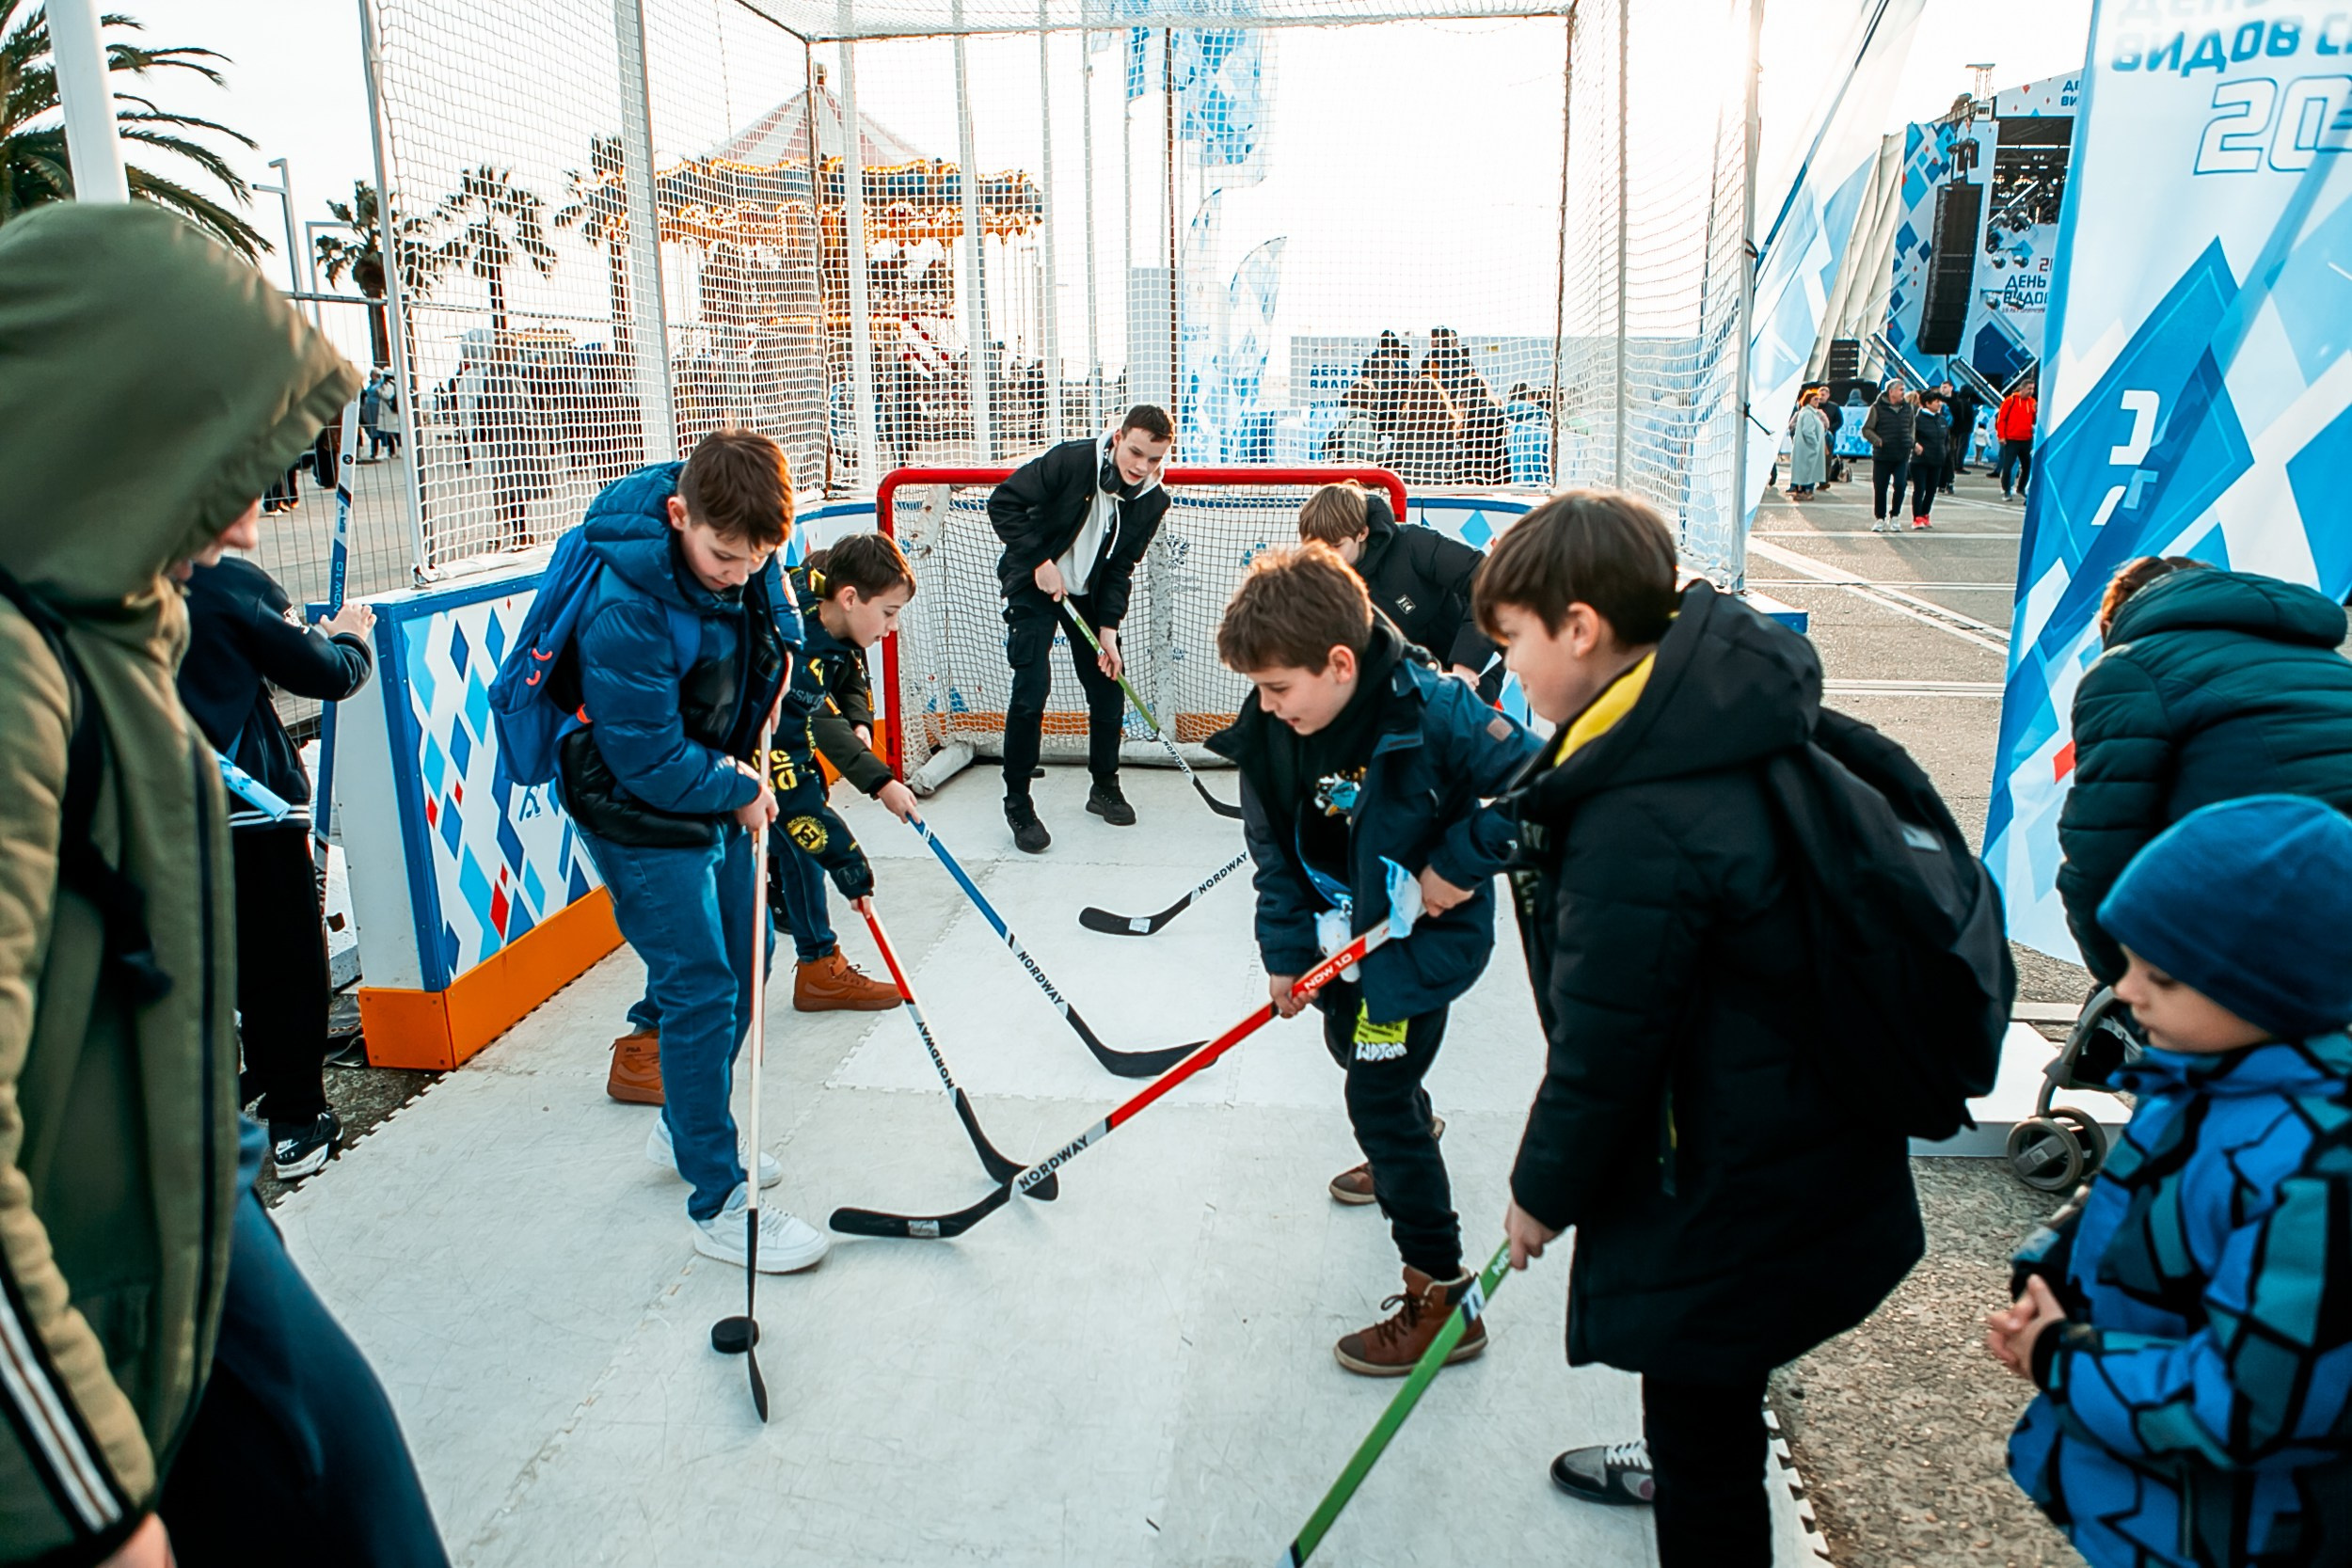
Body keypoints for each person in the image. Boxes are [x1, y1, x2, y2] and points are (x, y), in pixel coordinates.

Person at [2, 200, 447, 1568]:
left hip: (193, 1206)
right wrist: (81, 1502)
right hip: (85, 1304)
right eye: (234, 465)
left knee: (358, 1499)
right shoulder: (16, 671)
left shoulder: (108, 621)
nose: (256, 509)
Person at [1477, 491, 1923, 1565]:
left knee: (1703, 1440)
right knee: (1712, 1398)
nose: (1509, 670)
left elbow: (1607, 1046)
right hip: (1797, 1131)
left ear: (1580, 627)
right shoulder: (1718, 715)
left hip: (1727, 1171)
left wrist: (1540, 1192)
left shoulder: (1640, 808)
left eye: (1514, 641)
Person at [1993, 796, 2352, 1568]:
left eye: (2159, 974)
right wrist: (2047, 1271)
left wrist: (2061, 1355)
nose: (2124, 990)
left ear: (2266, 989)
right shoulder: (2200, 1079)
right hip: (2156, 1498)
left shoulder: (2321, 1173)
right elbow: (2128, 1200)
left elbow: (2256, 1405)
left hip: (2243, 1531)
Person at [1205, 545, 1538, 1377]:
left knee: (1375, 1094)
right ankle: (1406, 1131)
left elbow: (1548, 783)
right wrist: (1286, 951)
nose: (1267, 704)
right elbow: (1272, 857)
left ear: (1340, 663)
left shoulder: (1437, 709)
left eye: (1279, 687)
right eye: (1258, 689)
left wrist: (1459, 862)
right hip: (1335, 948)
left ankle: (1444, 1298)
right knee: (1350, 1053)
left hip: (1409, 955)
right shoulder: (1271, 732)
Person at [557, 428, 863, 1274]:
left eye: (756, 556)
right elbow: (646, 756)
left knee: (748, 956)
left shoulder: (753, 557)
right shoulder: (626, 607)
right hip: (634, 806)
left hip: (715, 780)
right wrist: (738, 785)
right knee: (698, 986)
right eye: (723, 555)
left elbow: (778, 629)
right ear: (677, 514)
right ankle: (719, 1202)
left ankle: (685, 1124)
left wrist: (768, 704)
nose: (738, 571)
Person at [2056, 557, 2352, 987]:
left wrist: (2123, 978)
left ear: (2112, 621)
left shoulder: (2131, 667)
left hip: (2287, 888)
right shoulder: (2325, 661)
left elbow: (2102, 845)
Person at [177, 543, 377, 1179]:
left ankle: (212, 1120)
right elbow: (327, 673)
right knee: (283, 965)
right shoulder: (224, 581)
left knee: (197, 972)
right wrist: (348, 637)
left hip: (152, 817)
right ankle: (297, 1122)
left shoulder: (87, 583)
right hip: (250, 812)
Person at [983, 404, 1174, 854]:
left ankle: (1104, 787)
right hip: (1036, 582)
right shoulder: (1070, 461)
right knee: (1032, 687)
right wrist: (1040, 561)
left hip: (1089, 594)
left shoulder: (1152, 500)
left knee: (1108, 686)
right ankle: (1018, 802)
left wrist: (1108, 629)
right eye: (1135, 452)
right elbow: (1003, 502)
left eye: (1153, 459)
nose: (1141, 466)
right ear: (1117, 437)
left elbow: (1121, 566)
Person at [766, 532, 925, 1012]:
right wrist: (850, 866)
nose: (891, 628)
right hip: (719, 772)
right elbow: (794, 775)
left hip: (760, 765)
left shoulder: (827, 603)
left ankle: (818, 969)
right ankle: (652, 1032)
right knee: (718, 929)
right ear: (851, 598)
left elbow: (851, 664)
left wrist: (859, 717)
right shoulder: (792, 655)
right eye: (889, 613)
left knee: (799, 851)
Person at [1296, 481, 1500, 698]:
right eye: (1315, 549)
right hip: (1404, 679)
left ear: (1362, 533)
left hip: (1472, 659)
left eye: (1336, 546)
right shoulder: (1319, 583)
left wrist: (1466, 662)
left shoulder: (1412, 544)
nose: (1326, 558)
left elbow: (1490, 580)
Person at [1861, 377, 1916, 532]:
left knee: (1900, 485)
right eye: (1900, 390)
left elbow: (1911, 426)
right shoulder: (1877, 408)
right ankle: (1880, 518)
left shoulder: (1907, 408)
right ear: (1891, 392)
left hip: (1901, 454)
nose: (1903, 393)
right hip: (1882, 455)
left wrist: (1910, 441)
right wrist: (1877, 441)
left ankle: (1895, 516)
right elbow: (1867, 429)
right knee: (1880, 487)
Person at [1907, 389, 1951, 530]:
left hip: (1937, 460)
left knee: (1932, 490)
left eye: (1940, 401)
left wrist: (1945, 452)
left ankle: (1925, 514)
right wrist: (1915, 445)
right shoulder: (1917, 420)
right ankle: (1917, 517)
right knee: (1919, 489)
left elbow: (1946, 440)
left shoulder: (1941, 420)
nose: (1939, 404)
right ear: (1927, 403)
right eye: (1936, 401)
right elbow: (1909, 436)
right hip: (1920, 461)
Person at [1995, 378, 2037, 501]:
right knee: (2008, 466)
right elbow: (2001, 419)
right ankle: (2006, 490)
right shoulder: (2010, 401)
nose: (2031, 391)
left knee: (2027, 466)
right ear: (2022, 388)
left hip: (2026, 439)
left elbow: (2034, 420)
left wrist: (2036, 411)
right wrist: (2001, 436)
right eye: (2029, 389)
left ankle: (2021, 488)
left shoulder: (2032, 402)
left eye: (2033, 389)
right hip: (2011, 440)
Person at [1787, 388, 1829, 499]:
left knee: (1807, 471)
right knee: (1808, 471)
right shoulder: (1808, 413)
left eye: (1818, 399)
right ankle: (1805, 491)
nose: (1818, 401)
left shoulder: (1810, 412)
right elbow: (1808, 431)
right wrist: (1815, 444)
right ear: (1808, 400)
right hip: (1808, 448)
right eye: (1815, 399)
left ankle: (1804, 491)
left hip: (1808, 448)